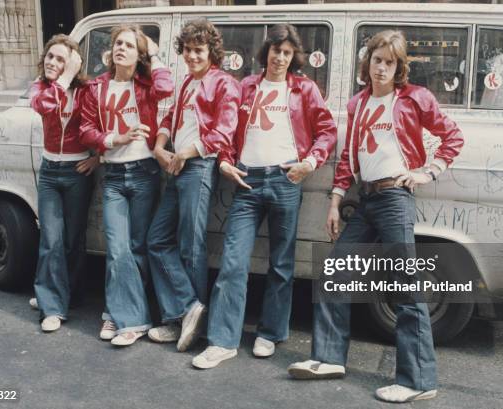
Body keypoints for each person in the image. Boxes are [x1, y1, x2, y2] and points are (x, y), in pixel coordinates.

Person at [287, 30, 464, 403]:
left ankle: (418, 380)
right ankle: (329, 357)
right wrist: (335, 201)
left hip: (396, 197)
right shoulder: (358, 104)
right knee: (335, 272)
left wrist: (426, 172)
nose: (382, 68)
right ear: (366, 63)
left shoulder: (415, 98)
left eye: (390, 62)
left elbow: (452, 137)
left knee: (405, 287)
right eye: (377, 60)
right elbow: (349, 160)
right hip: (365, 200)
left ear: (399, 67)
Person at [192, 24, 337, 369]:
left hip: (286, 180)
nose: (281, 57)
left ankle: (270, 333)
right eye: (276, 50)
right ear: (266, 52)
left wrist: (310, 162)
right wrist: (225, 161)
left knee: (282, 265)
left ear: (293, 57)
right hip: (247, 182)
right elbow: (227, 128)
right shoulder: (245, 87)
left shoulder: (304, 89)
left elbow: (327, 130)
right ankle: (222, 341)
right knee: (233, 262)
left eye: (287, 53)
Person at [146, 19, 241, 353]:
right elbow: (170, 116)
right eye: (187, 50)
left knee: (190, 244)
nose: (192, 56)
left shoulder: (224, 83)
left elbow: (224, 132)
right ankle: (186, 309)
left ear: (211, 51)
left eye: (199, 50)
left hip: (197, 166)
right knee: (156, 240)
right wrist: (159, 144)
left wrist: (187, 150)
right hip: (176, 166)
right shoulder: (187, 83)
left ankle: (187, 324)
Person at [80, 25, 174, 346]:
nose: (121, 48)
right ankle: (127, 319)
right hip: (114, 177)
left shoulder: (147, 85)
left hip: (145, 172)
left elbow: (167, 87)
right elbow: (86, 129)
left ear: (139, 54)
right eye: (118, 43)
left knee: (136, 248)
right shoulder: (96, 88)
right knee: (117, 247)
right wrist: (113, 139)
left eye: (130, 45)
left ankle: (117, 316)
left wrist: (156, 55)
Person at [30, 34, 99, 333]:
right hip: (49, 172)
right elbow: (44, 106)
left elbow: (101, 124)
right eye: (50, 56)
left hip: (77, 172)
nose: (52, 62)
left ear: (72, 62)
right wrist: (63, 77)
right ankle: (52, 306)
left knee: (72, 241)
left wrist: (98, 158)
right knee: (51, 240)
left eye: (61, 58)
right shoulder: (42, 88)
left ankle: (64, 292)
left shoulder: (85, 90)